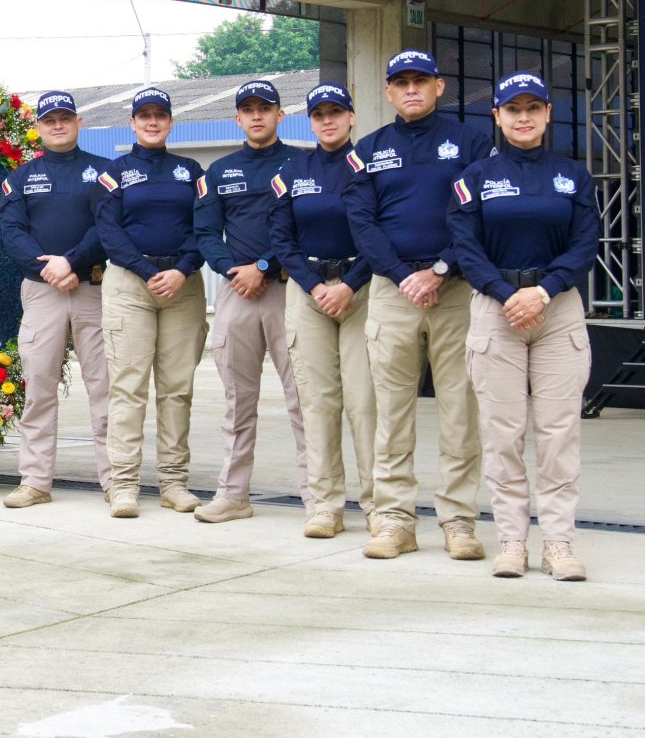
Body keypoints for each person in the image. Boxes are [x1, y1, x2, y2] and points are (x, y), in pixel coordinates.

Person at [343, 50, 494, 562]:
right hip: (392, 292)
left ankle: (458, 522)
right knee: (392, 414)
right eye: (400, 82)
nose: (411, 90)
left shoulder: (473, 141)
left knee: (459, 411)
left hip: (455, 292)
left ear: (439, 86)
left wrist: (441, 270)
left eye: (420, 81)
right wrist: (406, 275)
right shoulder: (367, 149)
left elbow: (480, 214)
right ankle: (394, 522)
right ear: (387, 92)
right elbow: (362, 223)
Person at [448, 72, 596, 581]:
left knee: (558, 434)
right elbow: (465, 247)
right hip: (497, 308)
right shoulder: (473, 177)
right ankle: (512, 540)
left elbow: (584, 247)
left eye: (534, 108)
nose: (524, 117)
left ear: (549, 114)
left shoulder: (573, 176)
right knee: (502, 432)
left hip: (557, 310)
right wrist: (507, 293)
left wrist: (543, 290)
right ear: (497, 116)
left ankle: (559, 543)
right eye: (514, 109)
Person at [190, 80, 309, 524]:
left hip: (289, 289)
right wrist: (233, 270)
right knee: (238, 401)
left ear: (282, 115)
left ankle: (316, 499)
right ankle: (233, 495)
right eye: (248, 109)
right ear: (237, 119)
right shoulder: (219, 171)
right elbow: (205, 233)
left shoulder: (302, 164)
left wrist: (264, 265)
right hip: (236, 292)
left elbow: (303, 228)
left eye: (266, 108)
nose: (257, 115)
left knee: (303, 400)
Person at [0, 90, 113, 508]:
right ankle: (35, 482)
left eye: (65, 118)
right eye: (50, 120)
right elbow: (12, 232)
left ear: (79, 124)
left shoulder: (104, 172)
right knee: (39, 388)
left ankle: (116, 482)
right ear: (39, 127)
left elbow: (109, 226)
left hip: (93, 289)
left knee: (105, 388)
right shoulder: (22, 177)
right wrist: (49, 268)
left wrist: (72, 261)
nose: (58, 125)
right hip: (42, 292)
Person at [94, 86, 207, 519]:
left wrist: (181, 269)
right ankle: (123, 486)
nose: (153, 122)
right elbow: (109, 230)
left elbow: (204, 225)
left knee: (177, 389)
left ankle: (174, 483)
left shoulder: (190, 170)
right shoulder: (115, 172)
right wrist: (147, 271)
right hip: (130, 287)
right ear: (134, 124)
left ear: (171, 122)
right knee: (128, 387)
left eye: (160, 115)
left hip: (183, 286)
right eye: (145, 116)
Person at [270, 83, 377, 538]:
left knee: (365, 402)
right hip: (308, 292)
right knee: (317, 402)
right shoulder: (292, 172)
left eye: (336, 112)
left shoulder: (370, 168)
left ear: (352, 117)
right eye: (319, 115)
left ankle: (380, 507)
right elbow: (280, 238)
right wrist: (315, 286)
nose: (328, 120)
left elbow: (382, 234)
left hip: (362, 289)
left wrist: (349, 285)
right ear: (309, 122)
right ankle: (326, 507)